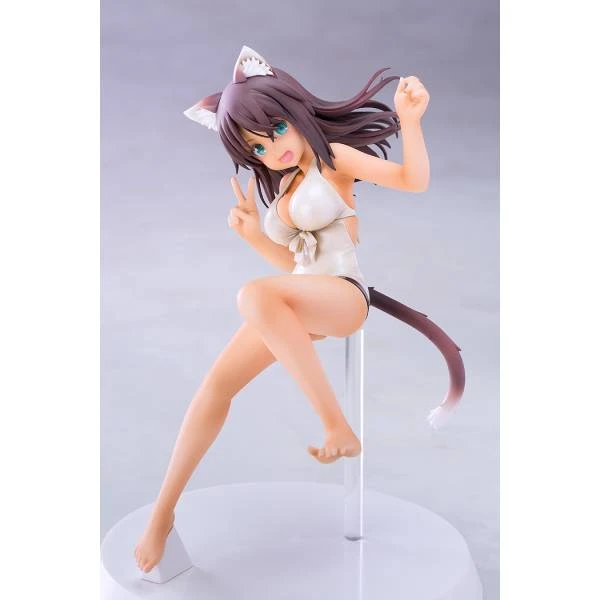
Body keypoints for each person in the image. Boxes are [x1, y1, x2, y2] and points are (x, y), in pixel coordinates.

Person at [134, 45, 460, 574]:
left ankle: (336, 426)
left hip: (344, 296)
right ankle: (162, 515)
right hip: (303, 297)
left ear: (295, 111)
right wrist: (251, 235)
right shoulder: (286, 182)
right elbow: (295, 266)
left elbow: (412, 180)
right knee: (215, 387)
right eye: (257, 147)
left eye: (277, 129)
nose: (274, 149)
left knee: (253, 296)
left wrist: (411, 122)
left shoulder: (334, 159)